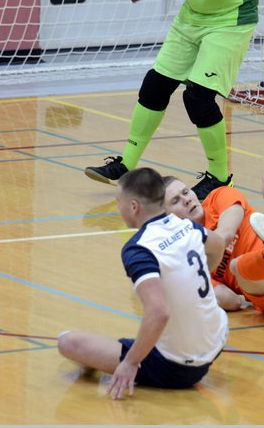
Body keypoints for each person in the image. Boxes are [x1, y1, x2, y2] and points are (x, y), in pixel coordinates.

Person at [85, 0, 259, 201]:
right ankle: (125, 166)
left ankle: (220, 178)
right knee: (155, 85)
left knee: (198, 97)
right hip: (191, 17)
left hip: (230, 21)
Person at [57, 167, 228, 399]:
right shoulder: (185, 225)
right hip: (218, 339)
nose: (118, 208)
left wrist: (131, 362)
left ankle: (109, 359)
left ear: (133, 206)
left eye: (119, 202)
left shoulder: (139, 249)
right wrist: (200, 276)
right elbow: (218, 244)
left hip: (178, 367)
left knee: (68, 342)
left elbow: (159, 312)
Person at [163, 92, 264, 318]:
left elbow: (227, 228)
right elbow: (228, 300)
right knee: (238, 266)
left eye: (185, 191)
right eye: (176, 201)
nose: (187, 199)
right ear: (165, 217)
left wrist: (206, 256)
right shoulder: (185, 257)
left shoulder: (217, 197)